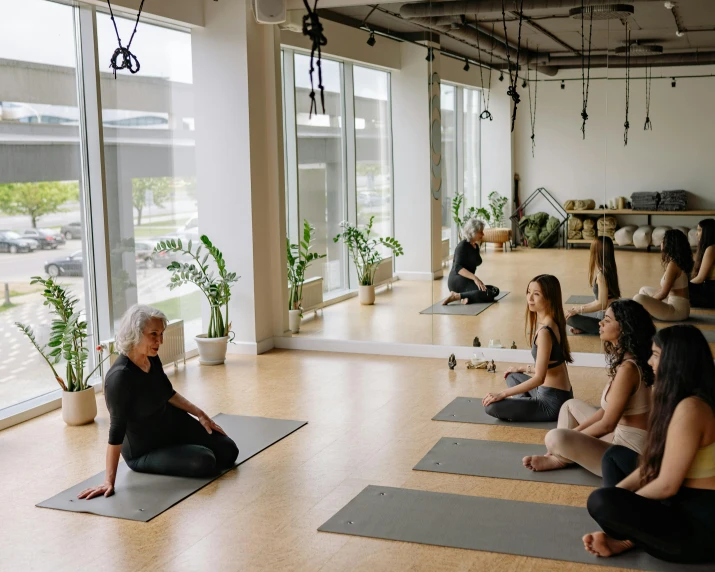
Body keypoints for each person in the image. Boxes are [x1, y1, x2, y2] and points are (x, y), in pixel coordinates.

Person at [78, 305, 239, 500]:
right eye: (154, 334)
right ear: (135, 334)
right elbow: (116, 430)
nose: (160, 341)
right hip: (145, 450)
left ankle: (183, 447)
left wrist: (201, 415)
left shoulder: (151, 358)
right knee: (205, 461)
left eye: (162, 334)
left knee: (229, 451)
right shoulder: (120, 378)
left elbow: (168, 393)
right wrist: (108, 481)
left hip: (171, 427)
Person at [584, 325, 715, 564]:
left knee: (600, 503)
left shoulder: (692, 409)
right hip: (677, 504)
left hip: (700, 529)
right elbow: (651, 467)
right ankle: (628, 534)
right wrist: (618, 496)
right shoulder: (681, 400)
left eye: (655, 354)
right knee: (614, 457)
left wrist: (621, 508)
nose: (650, 362)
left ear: (676, 361)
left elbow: (666, 486)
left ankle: (625, 538)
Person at [523, 300, 654, 475]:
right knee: (569, 406)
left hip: (629, 455)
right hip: (618, 436)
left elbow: (607, 424)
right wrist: (573, 434)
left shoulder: (628, 369)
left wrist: (567, 439)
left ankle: (559, 458)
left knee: (554, 437)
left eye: (607, 320)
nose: (600, 323)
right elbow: (605, 411)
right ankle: (563, 453)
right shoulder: (627, 361)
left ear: (624, 328)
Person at [482, 275, 573, 422]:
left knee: (491, 407)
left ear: (550, 298)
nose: (529, 298)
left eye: (536, 294)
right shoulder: (553, 321)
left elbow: (539, 378)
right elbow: (547, 367)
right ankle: (524, 404)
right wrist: (521, 368)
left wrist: (502, 394)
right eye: (528, 292)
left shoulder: (545, 332)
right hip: (558, 393)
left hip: (551, 403)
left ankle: (524, 405)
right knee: (512, 376)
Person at [633, 229, 693, 322]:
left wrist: (650, 301)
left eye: (663, 240)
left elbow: (663, 294)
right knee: (644, 290)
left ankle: (641, 315)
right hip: (675, 304)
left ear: (670, 244)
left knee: (638, 298)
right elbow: (663, 291)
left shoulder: (673, 264)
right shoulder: (676, 262)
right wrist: (650, 301)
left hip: (677, 311)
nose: (661, 243)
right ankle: (645, 313)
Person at [566, 237, 621, 335]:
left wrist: (579, 309)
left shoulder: (602, 275)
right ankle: (586, 328)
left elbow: (602, 304)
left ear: (597, 253)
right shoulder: (610, 270)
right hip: (611, 314)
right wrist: (577, 309)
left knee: (568, 318)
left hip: (606, 319)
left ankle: (594, 329)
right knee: (576, 312)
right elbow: (598, 301)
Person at [442, 217, 499, 305]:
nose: (483, 234)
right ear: (473, 232)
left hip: (468, 280)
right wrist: (475, 279)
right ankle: (455, 296)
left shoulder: (475, 246)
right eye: (481, 232)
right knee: (488, 294)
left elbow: (477, 261)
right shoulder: (462, 246)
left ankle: (464, 296)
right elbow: (457, 268)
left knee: (495, 291)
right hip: (457, 280)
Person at [689, 218, 715, 309]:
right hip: (709, 288)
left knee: (681, 288)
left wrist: (685, 287)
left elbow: (700, 278)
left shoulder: (711, 249)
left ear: (708, 232)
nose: (696, 233)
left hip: (711, 293)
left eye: (699, 230)